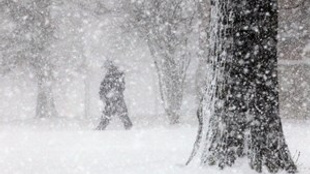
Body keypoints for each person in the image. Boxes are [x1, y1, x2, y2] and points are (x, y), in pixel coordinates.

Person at [96, 60, 133, 130]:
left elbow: (119, 86)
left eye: (106, 67)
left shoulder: (114, 75)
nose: (105, 69)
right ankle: (129, 128)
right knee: (119, 113)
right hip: (113, 98)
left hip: (115, 98)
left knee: (111, 114)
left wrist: (110, 93)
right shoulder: (113, 75)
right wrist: (104, 94)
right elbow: (104, 86)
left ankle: (101, 128)